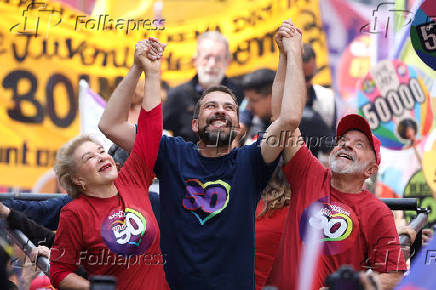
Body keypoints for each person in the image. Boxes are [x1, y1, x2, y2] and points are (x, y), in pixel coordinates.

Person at [99, 20, 306, 290]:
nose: (220, 111)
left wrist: (289, 55)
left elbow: (288, 118)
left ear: (239, 128)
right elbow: (110, 125)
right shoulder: (170, 153)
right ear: (195, 124)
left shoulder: (252, 161)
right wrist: (138, 68)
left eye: (228, 108)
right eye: (210, 106)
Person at [265, 44, 407, 289]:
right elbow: (282, 119)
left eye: (359, 144)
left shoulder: (377, 212)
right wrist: (288, 56)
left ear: (371, 170)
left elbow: (392, 274)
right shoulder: (310, 174)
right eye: (343, 141)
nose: (347, 146)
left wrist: (353, 286)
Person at [49, 39, 168, 289]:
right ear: (77, 179)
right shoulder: (74, 213)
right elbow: (59, 271)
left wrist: (147, 70)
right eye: (89, 157)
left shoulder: (133, 178)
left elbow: (150, 130)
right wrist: (94, 288)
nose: (102, 156)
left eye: (102, 151)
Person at [163, 31, 244, 143]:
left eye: (218, 58)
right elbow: (157, 130)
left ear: (228, 61)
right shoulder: (177, 95)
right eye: (207, 57)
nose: (212, 64)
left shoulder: (240, 93)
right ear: (195, 60)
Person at [239, 69, 276, 141]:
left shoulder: (296, 126)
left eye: (253, 100)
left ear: (273, 97)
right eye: (247, 100)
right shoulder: (252, 118)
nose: (249, 107)